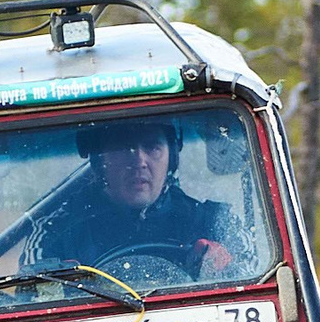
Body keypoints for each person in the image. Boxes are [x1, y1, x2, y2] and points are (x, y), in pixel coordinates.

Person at [28, 119, 239, 280]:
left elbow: (252, 273)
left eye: (152, 147)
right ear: (100, 161)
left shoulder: (213, 221)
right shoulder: (55, 232)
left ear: (172, 157)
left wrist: (222, 263)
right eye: (122, 149)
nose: (139, 161)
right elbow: (30, 292)